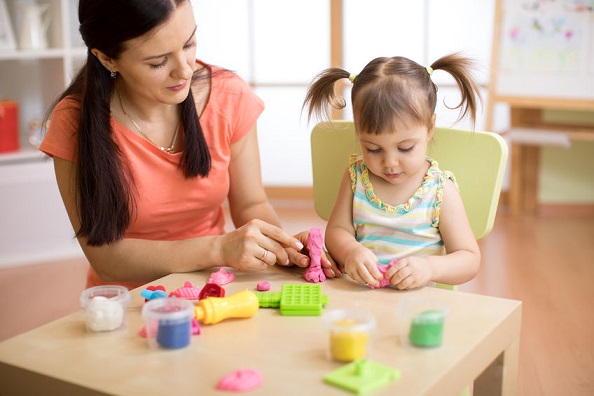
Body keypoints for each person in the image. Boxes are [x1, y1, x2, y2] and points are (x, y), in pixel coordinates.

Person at [39, 0, 339, 290]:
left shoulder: (227, 95)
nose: (184, 70)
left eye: (189, 44)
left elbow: (251, 204)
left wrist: (284, 248)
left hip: (216, 287)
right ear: (107, 58)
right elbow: (106, 258)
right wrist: (219, 248)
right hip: (127, 301)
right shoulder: (76, 121)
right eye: (158, 62)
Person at [302, 53, 481, 290]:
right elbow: (337, 231)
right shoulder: (357, 178)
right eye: (373, 149)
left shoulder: (439, 190)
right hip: (360, 298)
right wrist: (351, 251)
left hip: (418, 309)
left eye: (405, 148)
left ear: (430, 128)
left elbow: (469, 258)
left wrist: (429, 268)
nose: (390, 163)